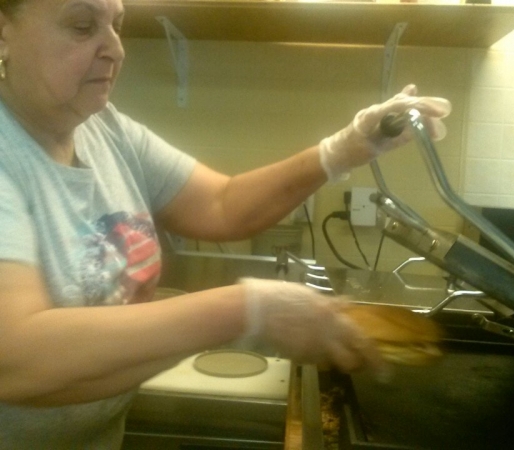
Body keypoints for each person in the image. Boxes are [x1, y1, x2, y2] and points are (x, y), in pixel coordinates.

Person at [0, 0, 451, 447]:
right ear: (3, 32)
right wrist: (247, 310)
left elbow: (221, 203)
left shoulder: (106, 130)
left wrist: (345, 149)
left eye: (117, 25)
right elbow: (16, 358)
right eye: (82, 26)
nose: (115, 48)